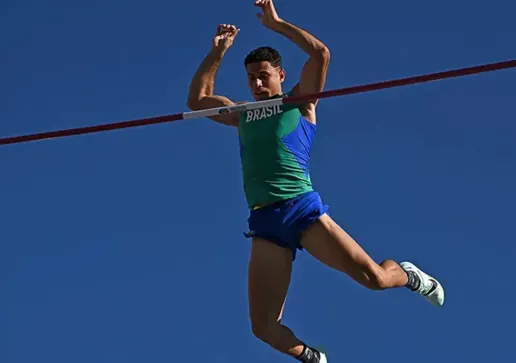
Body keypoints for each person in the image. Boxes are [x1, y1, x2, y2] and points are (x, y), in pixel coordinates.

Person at [186, 1, 445, 362]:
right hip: (265, 222)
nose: (258, 83)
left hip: (301, 209)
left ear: (280, 74)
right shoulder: (243, 114)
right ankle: (312, 357)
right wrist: (217, 52)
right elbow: (197, 100)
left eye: (264, 75)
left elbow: (320, 54)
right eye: (251, 78)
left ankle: (409, 275)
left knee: (375, 279)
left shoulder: (299, 102)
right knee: (263, 328)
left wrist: (276, 24)